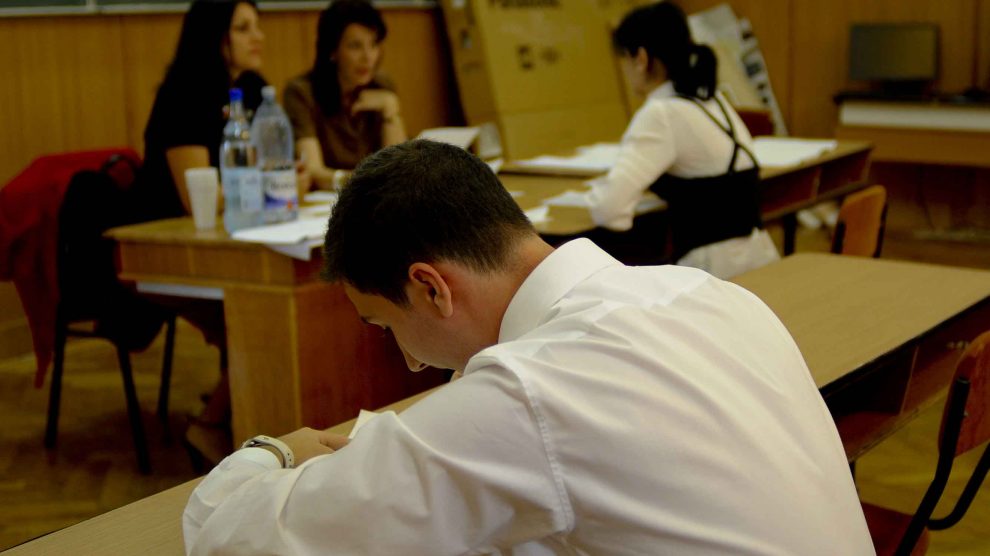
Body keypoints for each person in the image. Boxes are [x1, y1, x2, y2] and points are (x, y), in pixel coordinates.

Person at [183, 140, 873, 555]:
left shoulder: (531, 391)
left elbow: (227, 536)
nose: (410, 362)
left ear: (431, 287)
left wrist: (277, 450)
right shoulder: (703, 291)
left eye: (384, 326)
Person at [131, 0, 267, 464]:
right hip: (164, 249)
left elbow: (269, 167)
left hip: (222, 242)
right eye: (244, 28)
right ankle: (210, 425)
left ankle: (243, 408)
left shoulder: (252, 89)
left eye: (257, 25)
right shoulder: (183, 95)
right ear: (216, 37)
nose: (258, 37)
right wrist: (269, 182)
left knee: (275, 304)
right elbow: (200, 199)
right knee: (260, 316)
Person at [585, 1, 778, 279]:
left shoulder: (661, 113)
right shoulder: (712, 99)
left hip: (713, 269)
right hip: (759, 254)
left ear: (640, 58)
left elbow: (609, 210)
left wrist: (594, 193)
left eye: (625, 59)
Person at [283, 0, 406, 190]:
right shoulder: (301, 93)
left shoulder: (382, 86)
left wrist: (390, 109)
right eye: (355, 46)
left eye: (373, 44)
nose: (368, 57)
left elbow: (400, 168)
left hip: (375, 197)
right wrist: (366, 181)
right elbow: (313, 171)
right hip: (330, 200)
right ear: (332, 50)